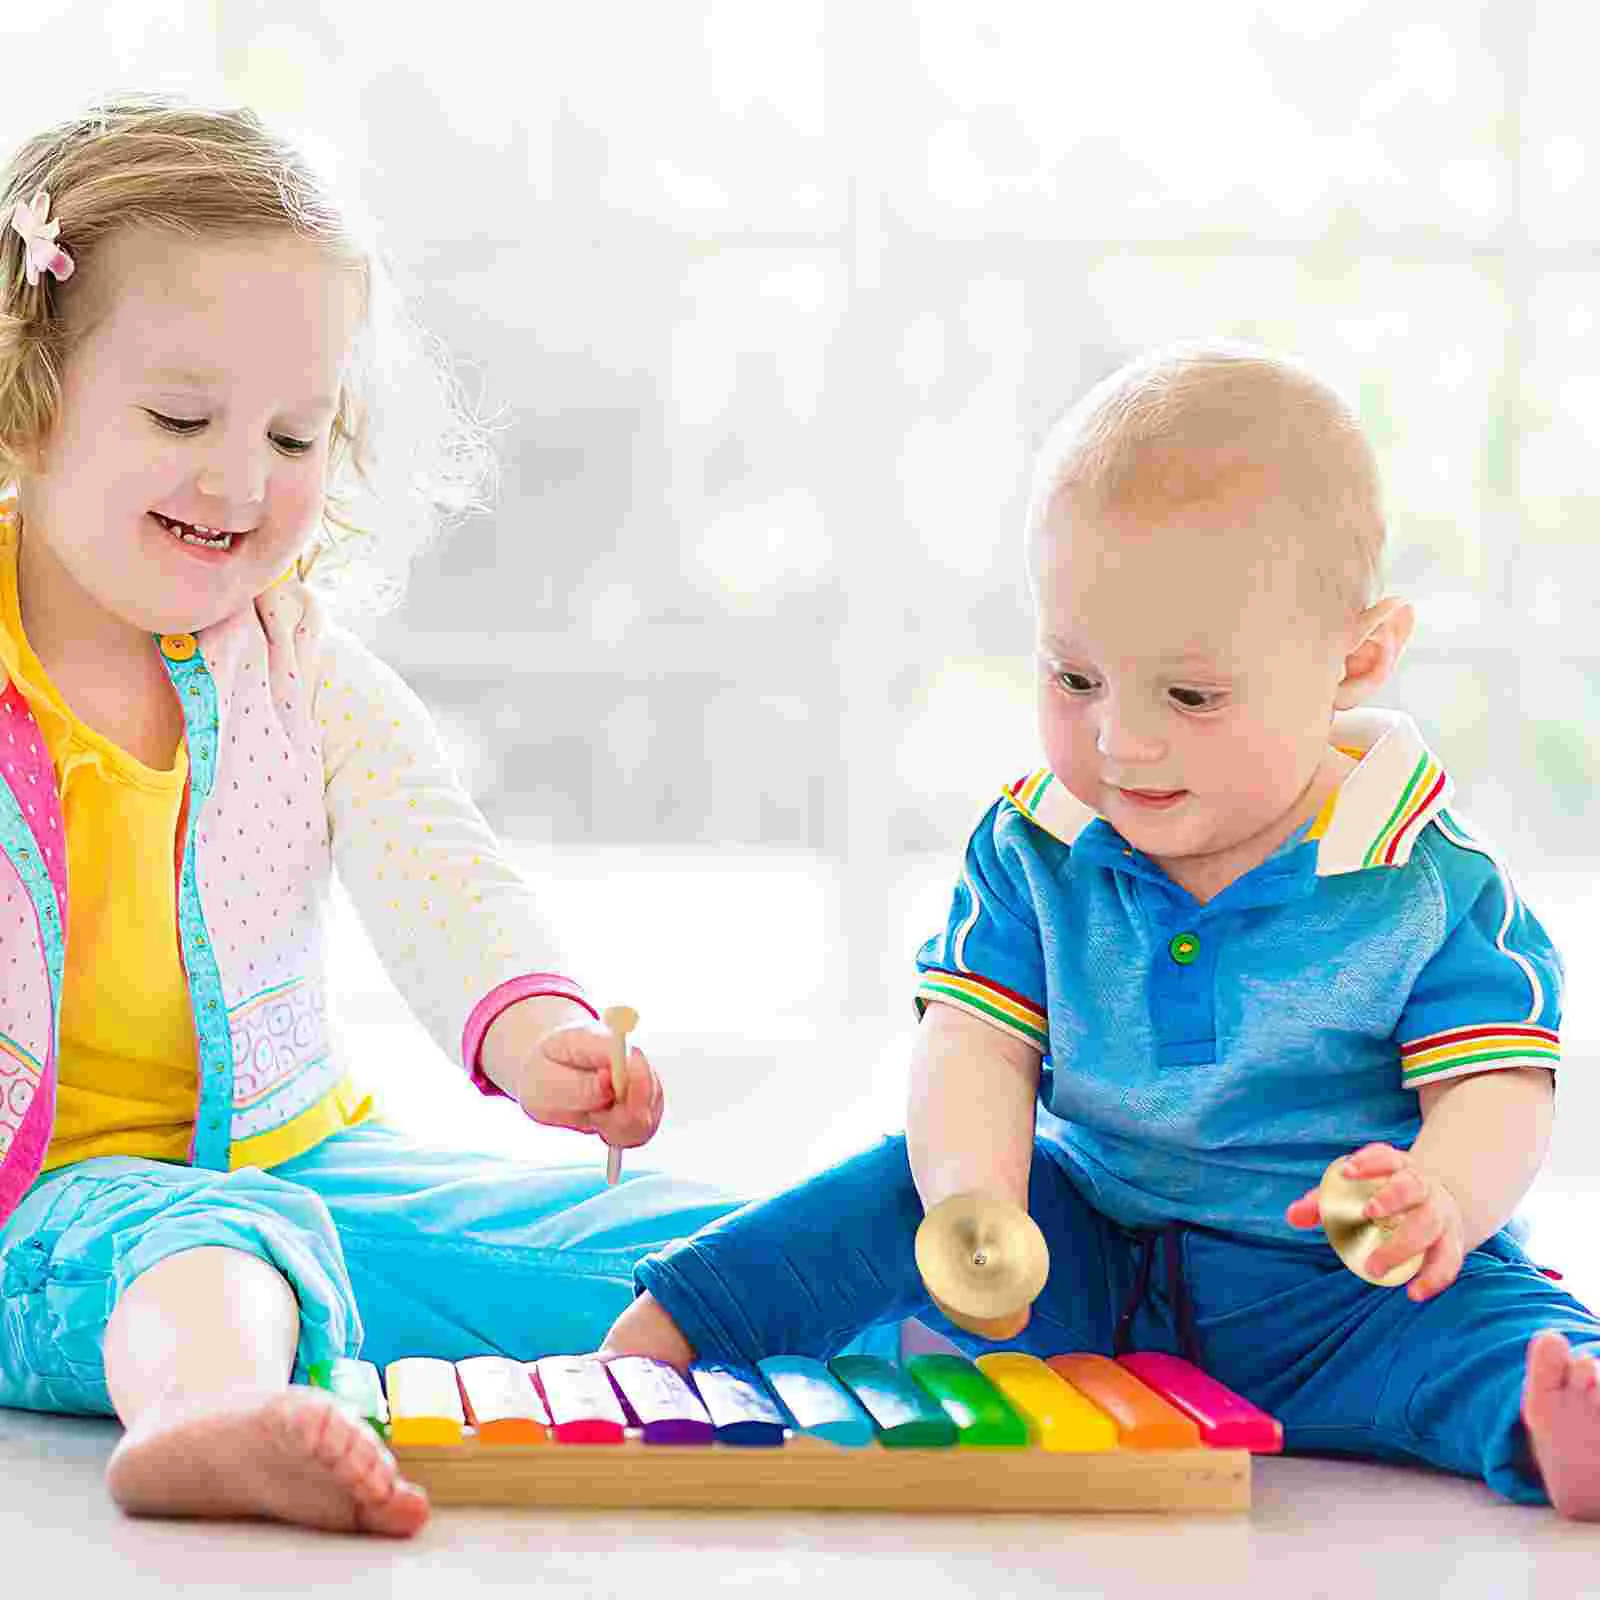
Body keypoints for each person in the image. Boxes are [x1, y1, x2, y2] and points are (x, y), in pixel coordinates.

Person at [602, 341, 1600, 1518]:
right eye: (1074, 678)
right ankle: (667, 1333)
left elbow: (1501, 1089)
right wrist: (979, 1199)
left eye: (1189, 695)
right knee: (890, 1191)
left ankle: (1553, 1431)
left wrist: (1439, 1191)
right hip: (1095, 1251)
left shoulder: (1428, 883)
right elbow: (973, 1046)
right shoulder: (1038, 846)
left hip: (1343, 1292)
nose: (1122, 741)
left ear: (1356, 658)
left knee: (1495, 1325)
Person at [0, 93, 733, 1537]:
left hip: (306, 1167)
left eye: (294, 433)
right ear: (29, 392)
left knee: (722, 1257)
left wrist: (541, 1040)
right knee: (210, 1242)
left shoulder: (300, 671)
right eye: (178, 417)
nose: (239, 480)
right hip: (46, 1221)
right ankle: (211, 1417)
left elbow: (436, 868)